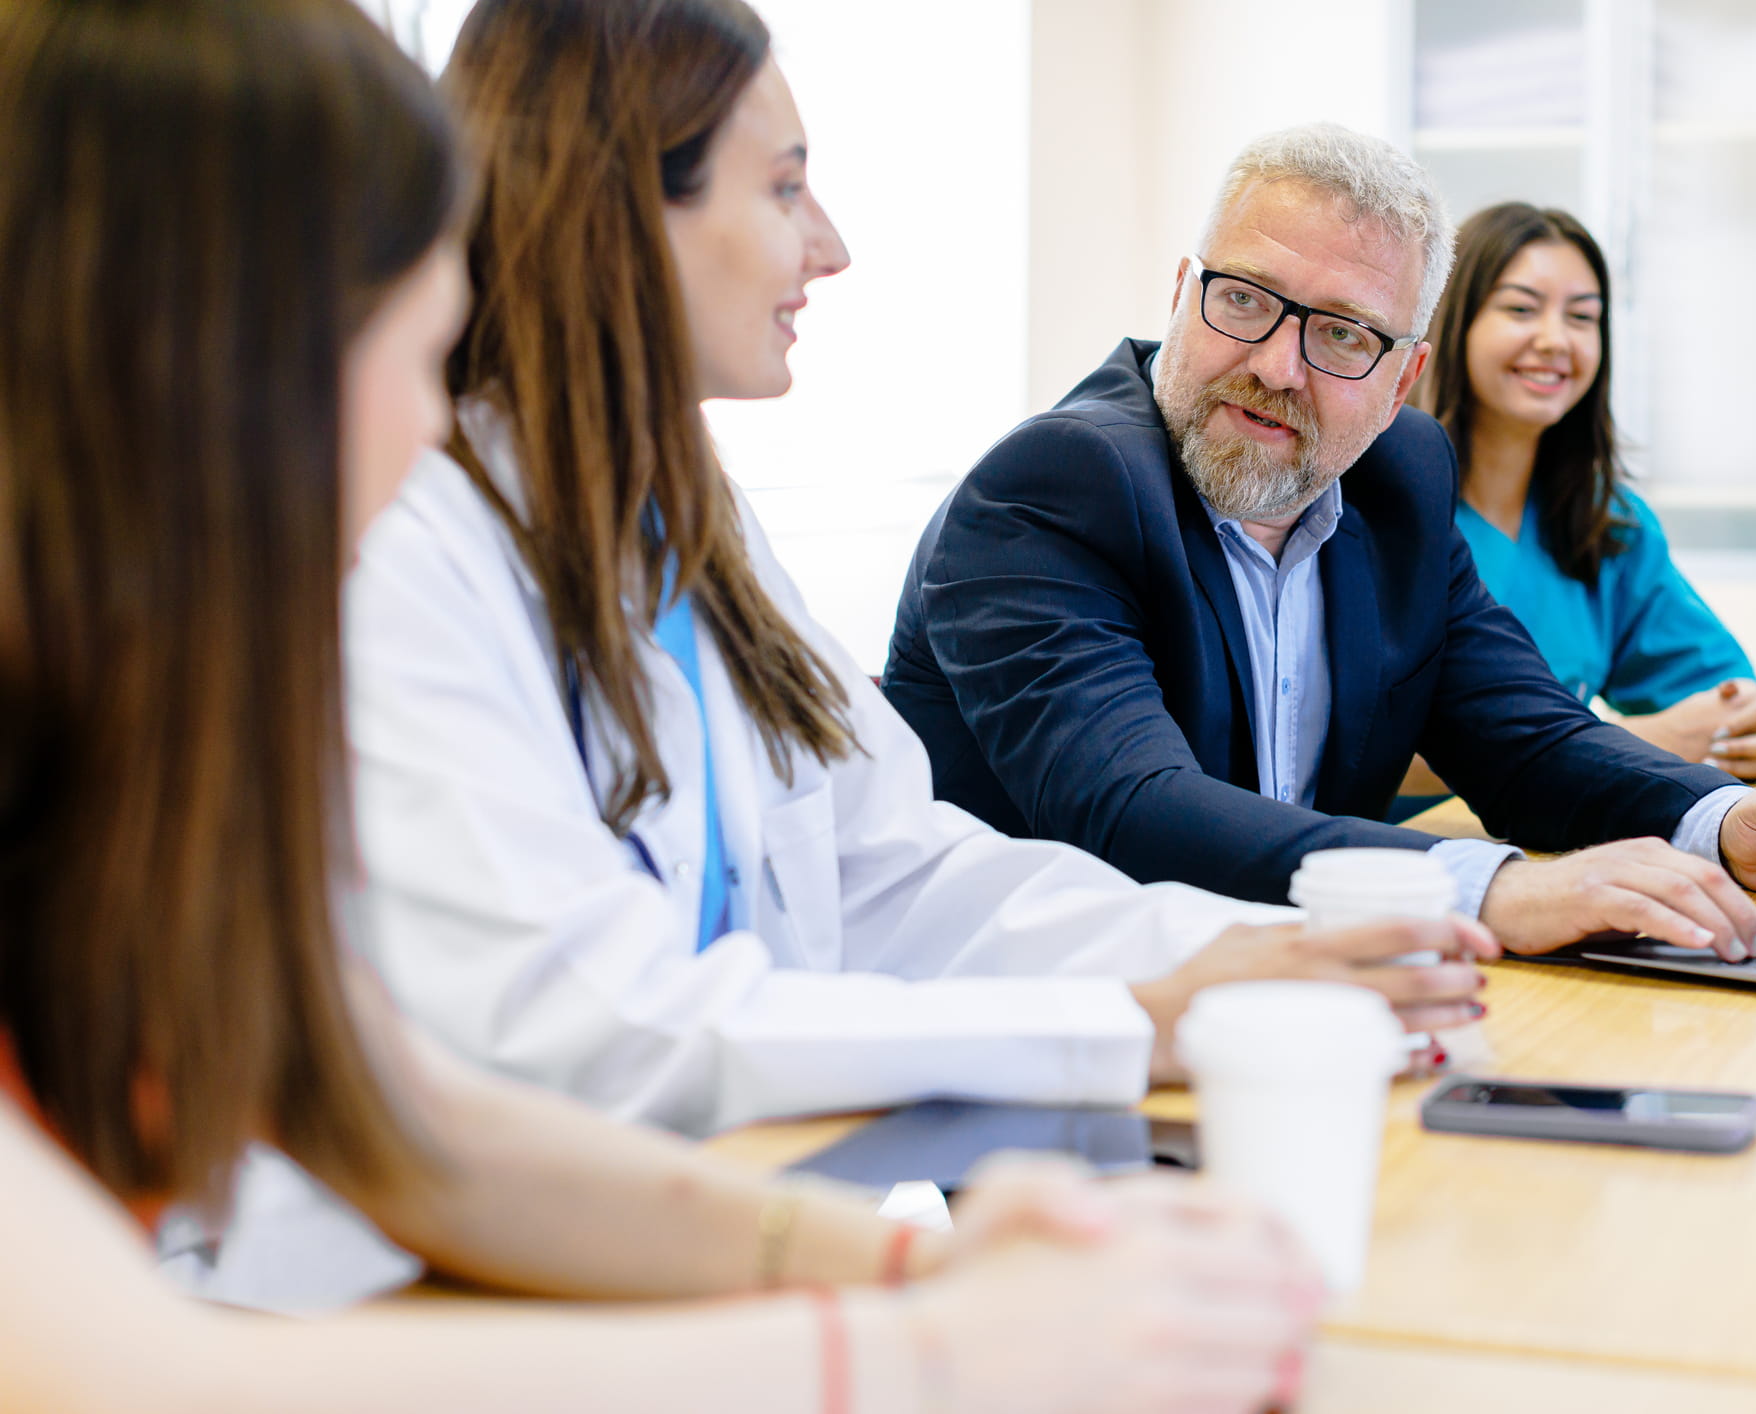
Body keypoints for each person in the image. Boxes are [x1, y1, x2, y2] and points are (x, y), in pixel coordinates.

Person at [0, 1, 1323, 1408]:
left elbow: (415, 1127)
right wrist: (924, 1346)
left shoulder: (155, 730)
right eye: (397, 345)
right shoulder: (399, 563)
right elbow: (133, 1369)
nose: (421, 430)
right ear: (193, 361)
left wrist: (908, 1274)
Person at [342, 0, 1492, 1139]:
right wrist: (1130, 1022)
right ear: (617, 214)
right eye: (785, 187)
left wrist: (1241, 957)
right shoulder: (411, 556)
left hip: (722, 1213)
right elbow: (601, 1027)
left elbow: (895, 867)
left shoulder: (694, 522)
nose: (829, 246)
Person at [884, 124, 1756, 961]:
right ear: (1182, 293)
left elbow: (1526, 738)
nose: (1276, 364)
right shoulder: (1056, 485)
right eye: (1243, 299)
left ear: (1404, 379)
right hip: (1051, 1044)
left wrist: (1732, 823)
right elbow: (1136, 807)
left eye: (1345, 334)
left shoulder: (1397, 479)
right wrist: (1490, 890)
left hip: (1297, 1001)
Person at [1412, 202, 1756, 782]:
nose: (1554, 339)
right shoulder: (1373, 506)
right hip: (1397, 854)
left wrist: (1746, 727)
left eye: (1582, 317)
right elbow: (1349, 745)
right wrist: (1641, 741)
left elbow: (1724, 697)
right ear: (1452, 323)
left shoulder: (1605, 524)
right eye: (1521, 308)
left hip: (1557, 846)